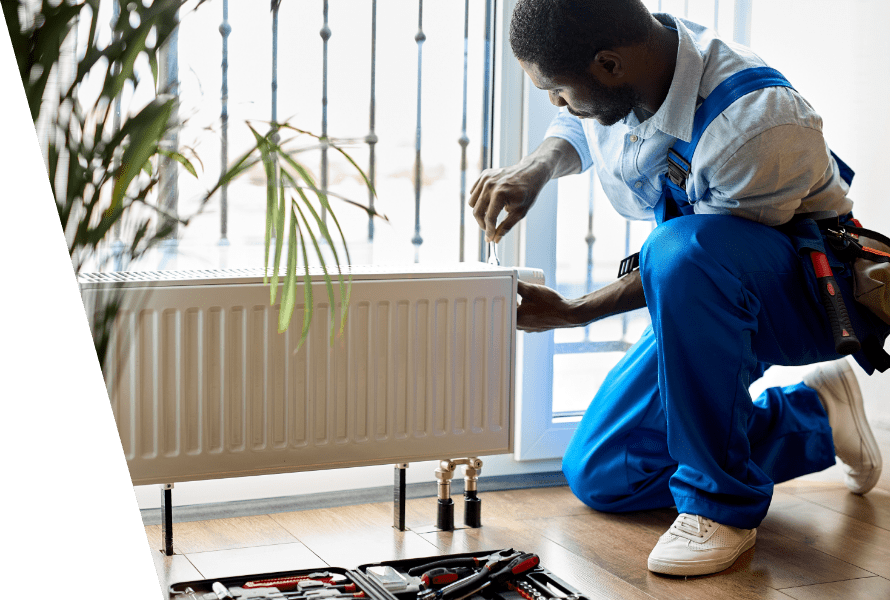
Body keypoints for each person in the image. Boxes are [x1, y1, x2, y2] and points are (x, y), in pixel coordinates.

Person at [468, 0, 889, 577]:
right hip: (704, 289)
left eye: (555, 88)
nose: (553, 102)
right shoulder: (640, 67)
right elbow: (579, 119)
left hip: (815, 295)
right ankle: (814, 415)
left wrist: (575, 313)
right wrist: (534, 170)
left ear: (609, 65)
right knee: (603, 471)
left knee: (679, 250)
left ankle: (721, 507)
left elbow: (702, 258)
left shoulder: (754, 122)